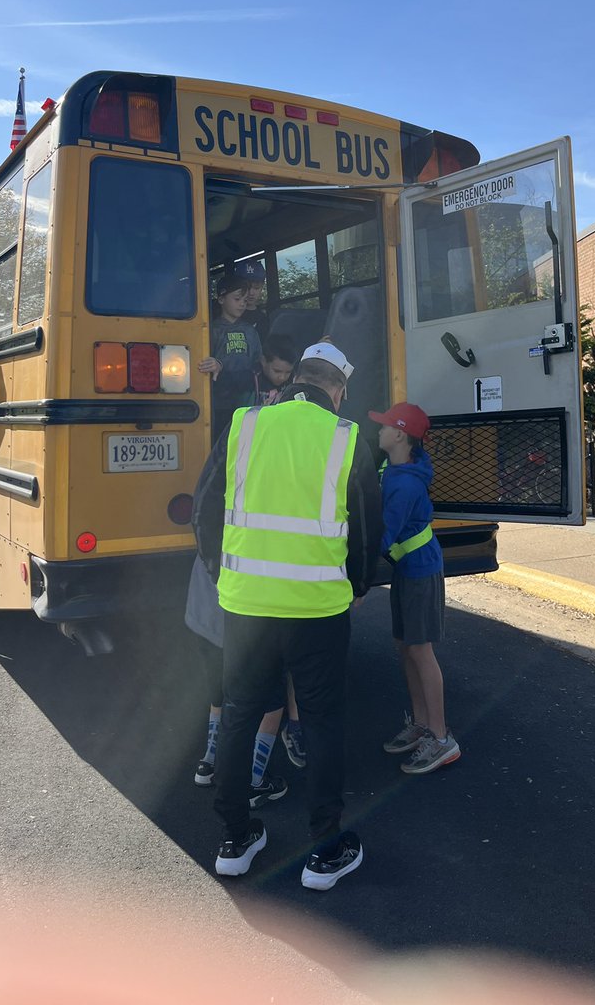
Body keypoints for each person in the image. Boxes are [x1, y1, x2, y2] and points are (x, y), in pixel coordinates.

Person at [192, 341, 382, 889]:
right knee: (321, 722)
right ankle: (325, 850)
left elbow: (206, 507)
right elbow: (367, 530)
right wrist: (360, 585)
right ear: (338, 390)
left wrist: (220, 571)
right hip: (319, 608)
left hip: (246, 604)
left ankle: (234, 839)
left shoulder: (245, 424)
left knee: (240, 713)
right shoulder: (347, 438)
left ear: (295, 379)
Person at [368, 402, 460, 775]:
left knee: (421, 652)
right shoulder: (391, 469)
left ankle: (440, 739)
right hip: (408, 569)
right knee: (405, 647)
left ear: (400, 435)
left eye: (385, 426)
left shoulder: (404, 484)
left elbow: (382, 535)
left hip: (420, 572)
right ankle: (422, 724)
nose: (378, 431)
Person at [184, 555, 287, 805]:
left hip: (206, 605)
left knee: (218, 688)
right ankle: (254, 781)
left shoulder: (212, 515)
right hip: (251, 611)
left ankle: (209, 762)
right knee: (272, 698)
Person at [198, 274, 262, 441]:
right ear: (220, 299)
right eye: (237, 299)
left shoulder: (251, 331)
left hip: (246, 397)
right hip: (218, 401)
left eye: (245, 300)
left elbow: (258, 361)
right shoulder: (210, 330)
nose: (242, 304)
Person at [254, 333, 297, 406]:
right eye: (277, 371)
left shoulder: (293, 382)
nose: (282, 377)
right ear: (263, 361)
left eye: (288, 372)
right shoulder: (251, 381)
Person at [235, 258, 269, 341]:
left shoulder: (263, 319)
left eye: (256, 288)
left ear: (262, 287)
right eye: (247, 287)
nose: (251, 292)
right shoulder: (230, 314)